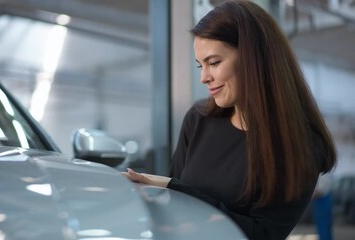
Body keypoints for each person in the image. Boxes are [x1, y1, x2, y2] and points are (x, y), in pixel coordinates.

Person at [123, 1, 337, 239]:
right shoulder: (198, 120)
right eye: (200, 65)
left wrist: (169, 185)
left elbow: (261, 234)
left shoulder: (300, 145)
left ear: (253, 58)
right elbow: (175, 207)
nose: (204, 77)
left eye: (214, 63)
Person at [312, 173, 334, 240]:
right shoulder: (326, 173)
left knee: (323, 225)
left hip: (322, 200)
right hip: (324, 199)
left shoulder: (322, 174)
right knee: (325, 225)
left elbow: (320, 191)